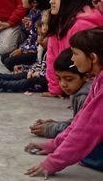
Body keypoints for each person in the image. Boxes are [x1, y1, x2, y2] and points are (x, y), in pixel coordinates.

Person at [25, 27, 103, 177]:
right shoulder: (98, 79)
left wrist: (53, 162)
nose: (72, 59)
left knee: (86, 150)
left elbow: (87, 130)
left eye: (75, 53)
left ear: (93, 57)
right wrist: (55, 144)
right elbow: (81, 119)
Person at [44, 0, 103, 97]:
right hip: (64, 79)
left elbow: (88, 65)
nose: (51, 1)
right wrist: (55, 87)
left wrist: (62, 85)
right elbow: (52, 56)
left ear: (71, 0)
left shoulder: (81, 25)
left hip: (84, 80)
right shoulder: (60, 21)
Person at [30, 48, 92, 138]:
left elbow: (82, 130)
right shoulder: (77, 91)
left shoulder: (85, 96)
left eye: (69, 79)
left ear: (87, 76)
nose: (63, 84)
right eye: (59, 79)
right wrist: (57, 124)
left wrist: (51, 129)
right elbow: (78, 120)